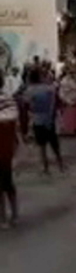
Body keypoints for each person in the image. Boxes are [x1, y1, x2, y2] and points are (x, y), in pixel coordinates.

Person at [23, 70, 65, 175]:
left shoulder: (29, 90)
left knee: (41, 145)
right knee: (54, 143)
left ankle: (45, 167)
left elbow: (26, 104)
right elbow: (56, 101)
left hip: (38, 119)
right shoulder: (49, 88)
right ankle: (61, 165)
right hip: (49, 118)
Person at [0, 86, 19, 228]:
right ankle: (8, 215)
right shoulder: (9, 100)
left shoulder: (7, 100)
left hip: (4, 147)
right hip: (6, 148)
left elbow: (10, 119)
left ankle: (7, 216)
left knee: (5, 183)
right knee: (6, 183)